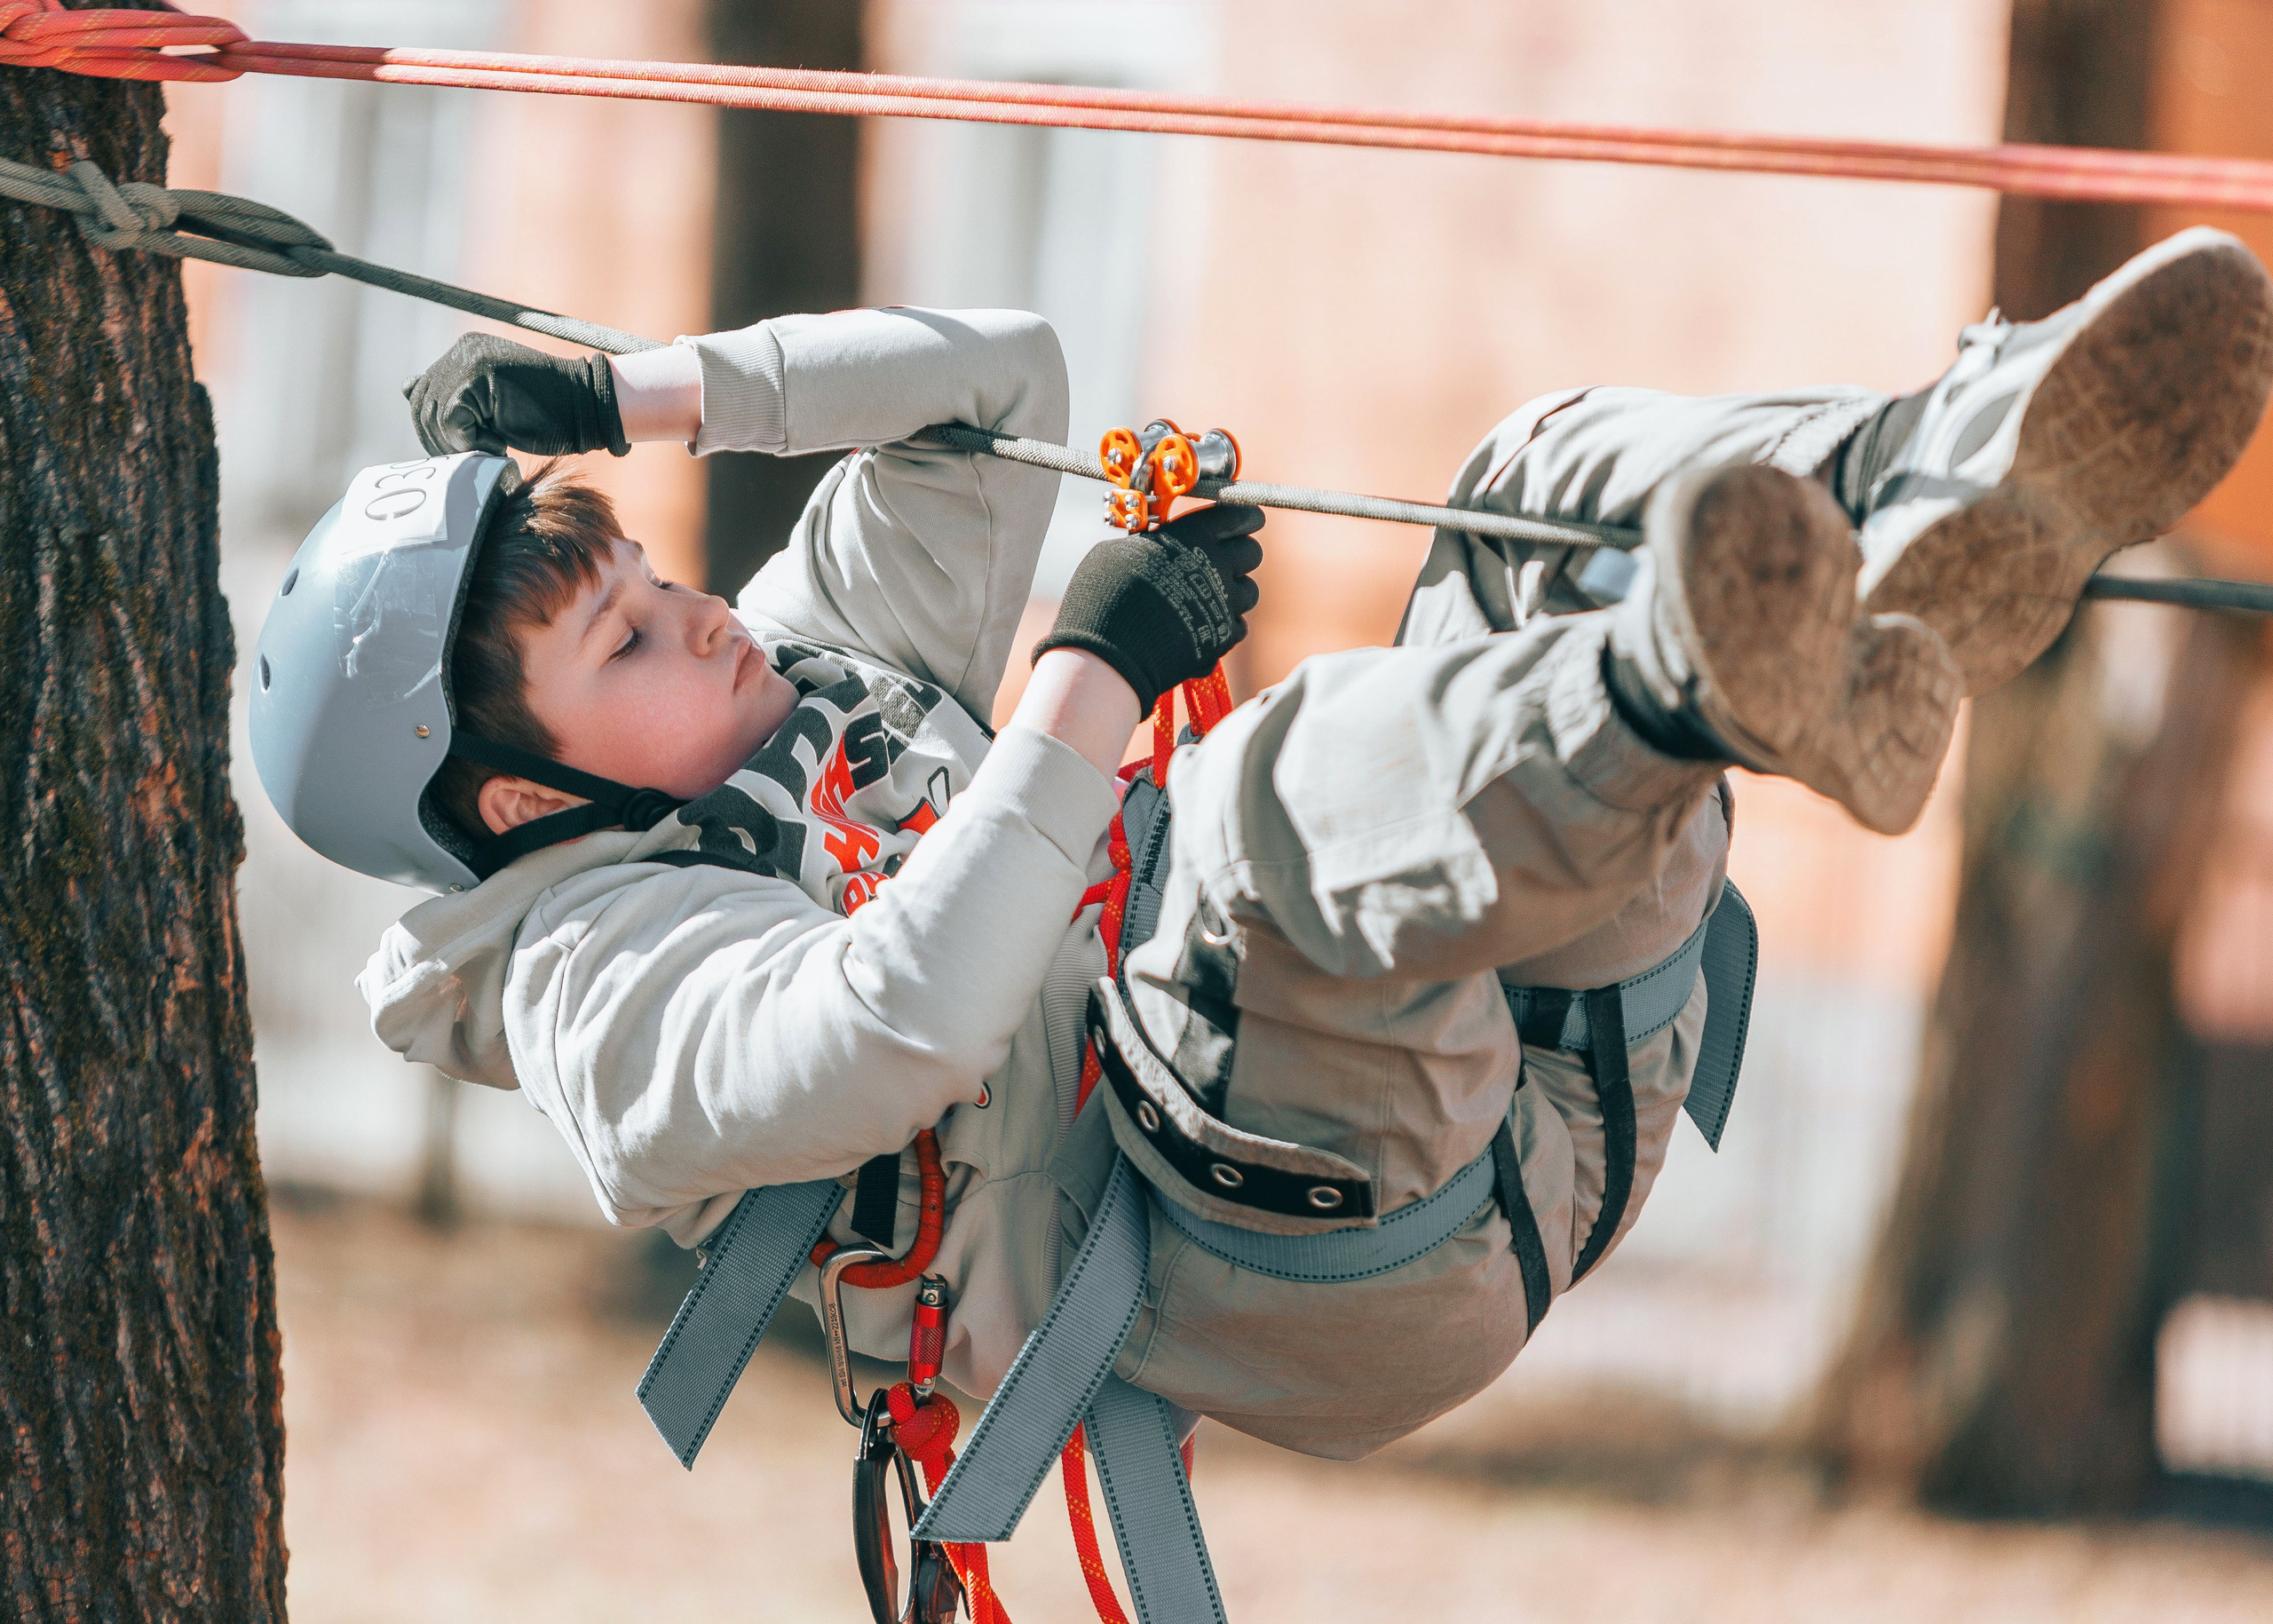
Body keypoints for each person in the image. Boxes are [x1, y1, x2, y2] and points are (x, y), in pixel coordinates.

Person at [277, 227, 2269, 1463]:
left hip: (1542, 1035)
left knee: (1531, 477)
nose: (692, 608)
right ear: (525, 799)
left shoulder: (811, 675)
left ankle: (1953, 469)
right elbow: (887, 1031)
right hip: (1307, 1262)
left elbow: (999, 379)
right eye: (623, 635)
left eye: (648, 573)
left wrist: (645, 393)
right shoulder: (598, 988)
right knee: (1248, 807)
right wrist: (1086, 675)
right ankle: (1702, 675)